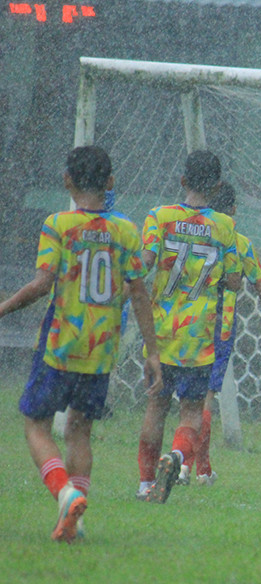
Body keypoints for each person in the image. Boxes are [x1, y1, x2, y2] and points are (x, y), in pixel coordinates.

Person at [0, 145, 162, 542]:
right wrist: (153, 351)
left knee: (36, 426)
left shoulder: (58, 225)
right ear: (109, 183)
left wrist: (3, 307)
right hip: (100, 352)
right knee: (79, 431)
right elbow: (139, 293)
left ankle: (65, 494)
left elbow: (42, 284)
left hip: (60, 346)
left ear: (67, 181)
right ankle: (76, 521)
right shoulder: (125, 230)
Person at [136, 150, 240, 503]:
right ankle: (178, 457)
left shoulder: (159, 217)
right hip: (199, 337)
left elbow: (145, 263)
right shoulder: (224, 226)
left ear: (182, 181)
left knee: (156, 406)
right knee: (192, 410)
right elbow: (236, 280)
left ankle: (146, 483)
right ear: (217, 185)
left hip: (161, 333)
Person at [177, 181, 261, 487]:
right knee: (205, 398)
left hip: (186, 322)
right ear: (234, 210)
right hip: (220, 326)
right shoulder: (239, 242)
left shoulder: (189, 233)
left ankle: (185, 463)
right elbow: (260, 285)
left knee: (186, 400)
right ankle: (195, 468)